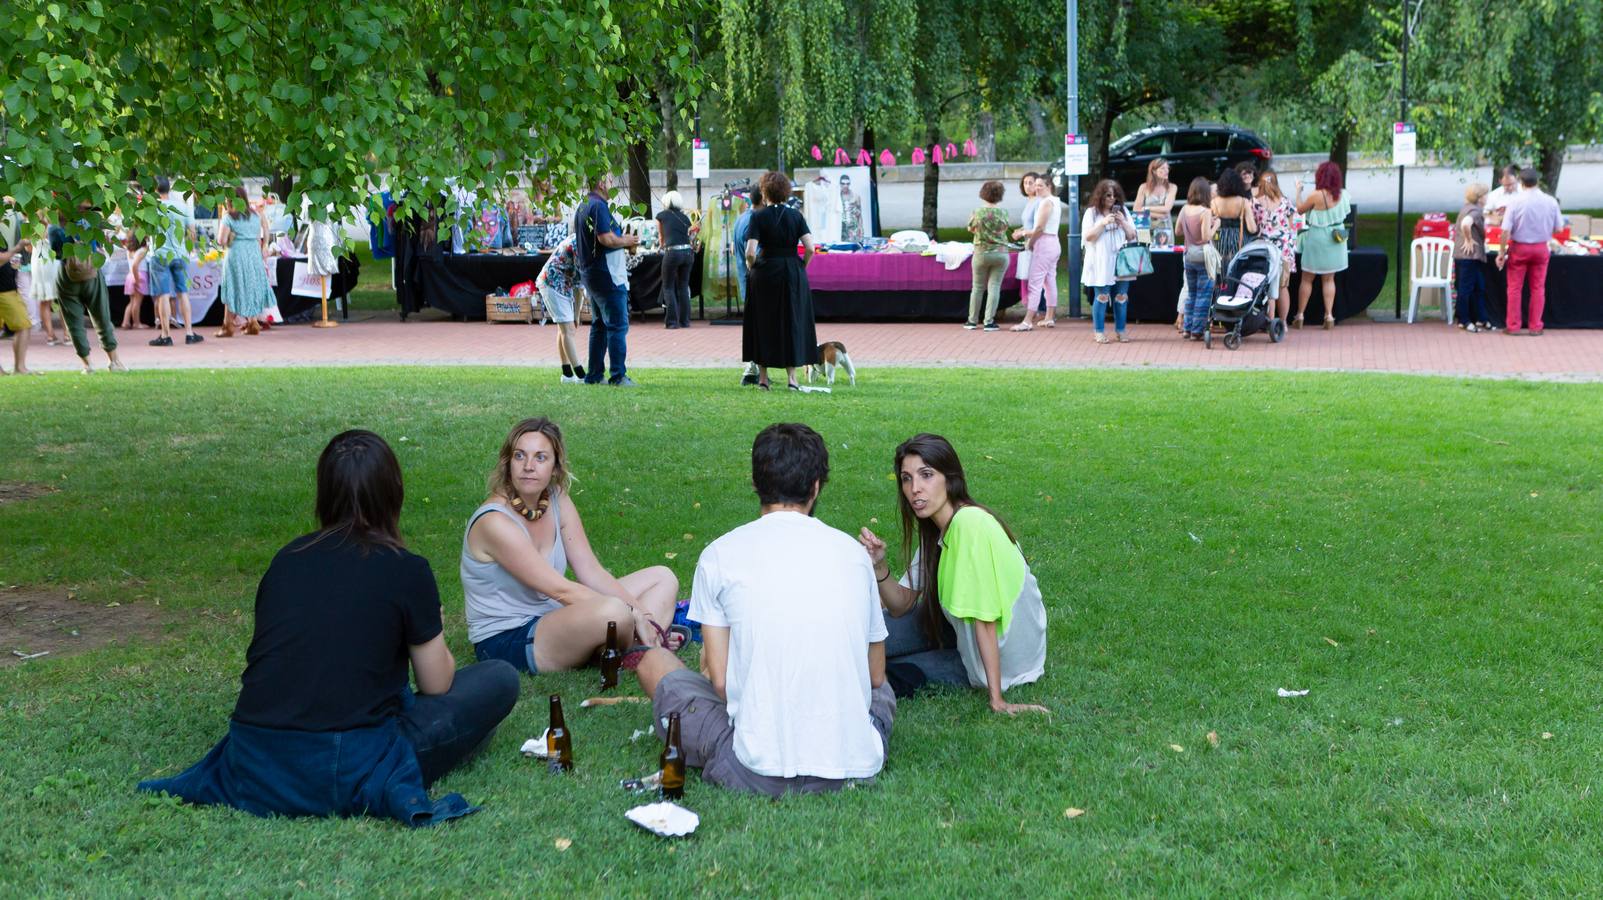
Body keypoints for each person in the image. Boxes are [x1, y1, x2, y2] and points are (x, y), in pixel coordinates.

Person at [138, 430, 520, 826]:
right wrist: (433, 631)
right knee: (498, 678)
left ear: (324, 492)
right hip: (350, 761)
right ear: (394, 492)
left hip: (255, 757)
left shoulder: (286, 560)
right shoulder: (407, 569)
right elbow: (436, 684)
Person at [633, 423, 895, 796]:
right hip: (853, 762)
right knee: (883, 694)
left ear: (755, 483)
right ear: (816, 486)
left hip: (753, 767)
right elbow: (875, 675)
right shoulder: (855, 556)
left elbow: (720, 681)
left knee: (656, 666)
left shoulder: (719, 554)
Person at [462, 417, 684, 675]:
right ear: (508, 462)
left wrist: (644, 616)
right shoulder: (494, 522)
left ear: (555, 467)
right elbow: (561, 591)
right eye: (520, 456)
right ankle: (636, 646)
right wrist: (633, 612)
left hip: (554, 616)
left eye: (540, 458)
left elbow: (590, 571)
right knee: (615, 611)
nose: (528, 466)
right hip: (509, 639)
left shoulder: (556, 499)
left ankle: (639, 642)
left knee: (662, 578)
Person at [857, 433, 1047, 714]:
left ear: (950, 477)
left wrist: (997, 701)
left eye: (926, 475)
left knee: (888, 672)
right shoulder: (938, 530)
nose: (915, 489)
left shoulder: (969, 524)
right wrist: (879, 567)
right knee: (864, 635)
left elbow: (984, 617)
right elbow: (900, 606)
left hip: (1000, 653)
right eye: (907, 478)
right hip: (957, 631)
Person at [742, 171, 817, 391]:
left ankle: (763, 378)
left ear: (764, 192)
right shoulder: (796, 216)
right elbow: (811, 248)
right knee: (791, 320)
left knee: (763, 322)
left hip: (765, 271)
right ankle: (792, 378)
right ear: (786, 191)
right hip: (792, 272)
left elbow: (750, 251)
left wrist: (752, 266)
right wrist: (801, 266)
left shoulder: (757, 216)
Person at [573, 173, 639, 386]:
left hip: (592, 273)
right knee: (617, 325)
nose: (614, 186)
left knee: (599, 325)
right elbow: (606, 238)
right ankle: (618, 375)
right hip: (607, 274)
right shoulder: (599, 206)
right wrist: (626, 240)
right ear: (601, 183)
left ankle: (594, 375)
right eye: (611, 181)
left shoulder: (583, 204)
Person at [50, 208, 127, 373]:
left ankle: (87, 365)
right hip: (92, 271)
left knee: (73, 322)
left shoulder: (55, 227)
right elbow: (99, 244)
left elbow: (56, 253)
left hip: (67, 275)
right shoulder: (92, 220)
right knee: (102, 316)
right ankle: (114, 361)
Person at [1495, 168, 1562, 336]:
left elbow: (1505, 231)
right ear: (1537, 181)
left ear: (1521, 182)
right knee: (1538, 288)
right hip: (1540, 247)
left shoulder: (1515, 202)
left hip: (1520, 247)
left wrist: (1501, 252)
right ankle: (1535, 326)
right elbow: (1559, 228)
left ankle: (1513, 326)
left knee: (1514, 288)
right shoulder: (1551, 201)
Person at [1294, 161, 1351, 330]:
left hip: (1317, 238)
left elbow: (1300, 210)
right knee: (1329, 279)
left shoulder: (1315, 195)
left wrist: (1298, 191)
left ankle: (1300, 315)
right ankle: (1329, 316)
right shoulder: (1343, 195)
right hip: (1336, 239)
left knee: (1307, 279)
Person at [1080, 179, 1137, 344]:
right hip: (1101, 260)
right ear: (1100, 196)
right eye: (1108, 195)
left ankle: (1121, 330)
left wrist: (1123, 222)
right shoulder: (1092, 213)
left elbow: (1132, 235)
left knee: (1121, 296)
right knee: (1102, 296)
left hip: (1121, 260)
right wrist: (1103, 223)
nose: (1112, 199)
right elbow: (1088, 237)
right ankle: (1099, 331)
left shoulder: (1124, 211)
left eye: (1115, 196)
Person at [148, 176, 202, 347]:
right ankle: (189, 332)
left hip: (159, 254)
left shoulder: (152, 208)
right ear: (169, 189)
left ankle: (165, 335)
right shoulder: (182, 206)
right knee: (183, 293)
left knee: (163, 294)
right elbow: (192, 232)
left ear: (155, 190)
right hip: (179, 254)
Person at [216, 187, 275, 337]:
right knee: (251, 286)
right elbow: (263, 232)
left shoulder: (229, 217)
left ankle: (227, 326)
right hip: (253, 252)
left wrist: (230, 237)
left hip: (236, 253)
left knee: (232, 287)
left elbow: (221, 240)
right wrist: (265, 244)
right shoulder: (256, 215)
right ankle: (253, 323)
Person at [1011, 173, 1062, 331]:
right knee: (1049, 281)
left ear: (1049, 187)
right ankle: (1049, 317)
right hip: (1053, 242)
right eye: (1036, 185)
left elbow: (1039, 228)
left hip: (1044, 244)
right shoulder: (1055, 201)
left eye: (1041, 185)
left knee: (1035, 283)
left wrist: (1030, 242)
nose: (1037, 188)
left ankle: (1027, 321)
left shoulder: (1046, 203)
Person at [534, 235, 586, 383]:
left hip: (561, 285)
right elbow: (580, 286)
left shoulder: (580, 239)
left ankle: (567, 375)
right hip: (552, 282)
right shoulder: (580, 245)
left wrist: (576, 315)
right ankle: (581, 375)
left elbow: (578, 286)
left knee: (563, 329)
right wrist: (576, 316)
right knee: (567, 329)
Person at [1252, 168, 1299, 323]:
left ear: (1260, 183)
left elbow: (1251, 226)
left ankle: (1270, 321)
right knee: (1282, 287)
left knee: (1268, 286)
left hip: (1264, 249)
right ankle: (1283, 323)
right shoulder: (1285, 202)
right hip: (1284, 248)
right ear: (1276, 183)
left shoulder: (1255, 203)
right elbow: (1294, 225)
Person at [964, 180, 1011, 332]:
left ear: (983, 193)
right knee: (994, 287)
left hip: (981, 252)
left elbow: (971, 229)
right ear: (1000, 195)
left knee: (977, 287)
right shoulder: (1004, 213)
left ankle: (972, 321)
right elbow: (1004, 228)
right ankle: (989, 322)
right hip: (1000, 253)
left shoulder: (977, 212)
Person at [1177, 177, 1217, 341]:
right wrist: (1216, 225)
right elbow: (1206, 236)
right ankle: (1197, 330)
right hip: (1203, 256)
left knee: (1191, 293)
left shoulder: (1184, 209)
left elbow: (1178, 231)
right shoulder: (1205, 211)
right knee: (1204, 294)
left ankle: (1187, 328)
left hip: (1189, 255)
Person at [732, 187, 764, 387]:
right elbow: (752, 253)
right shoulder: (754, 221)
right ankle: (754, 368)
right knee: (759, 326)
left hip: (744, 280)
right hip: (753, 278)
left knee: (754, 324)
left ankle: (754, 367)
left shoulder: (740, 218)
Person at [1454, 183, 1495, 333]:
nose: (1487, 197)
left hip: (1462, 255)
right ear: (1480, 197)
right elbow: (1466, 223)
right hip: (1469, 256)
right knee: (1466, 288)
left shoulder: (1466, 208)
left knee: (1478, 287)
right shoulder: (1475, 211)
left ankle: (1481, 318)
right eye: (1486, 195)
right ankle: (1464, 320)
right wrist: (1469, 239)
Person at [655, 191, 698, 329]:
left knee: (668, 287)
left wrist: (659, 247)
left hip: (672, 252)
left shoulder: (661, 216)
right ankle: (685, 321)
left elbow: (662, 238)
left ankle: (672, 322)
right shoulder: (685, 217)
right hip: (687, 253)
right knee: (683, 286)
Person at [1210, 167, 1259, 282]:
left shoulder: (1214, 202)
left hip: (1219, 238)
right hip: (1239, 239)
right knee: (1237, 269)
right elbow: (1252, 229)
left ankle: (1221, 289)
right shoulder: (1243, 201)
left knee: (1220, 268)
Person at [0, 228, 34, 375]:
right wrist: (17, 248)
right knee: (24, 325)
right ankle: (20, 368)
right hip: (4, 291)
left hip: (6, 287)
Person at [1133, 158, 1177, 247]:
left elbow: (1167, 209)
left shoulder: (1172, 187)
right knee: (1144, 252)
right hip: (1144, 225)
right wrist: (1158, 215)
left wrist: (1146, 209)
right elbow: (1136, 209)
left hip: (1163, 226)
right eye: (1162, 168)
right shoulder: (1143, 187)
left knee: (1163, 254)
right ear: (1153, 171)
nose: (1166, 171)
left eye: (1167, 168)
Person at [118, 231, 149, 331]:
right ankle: (136, 323)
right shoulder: (143, 250)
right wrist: (137, 279)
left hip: (130, 275)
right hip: (139, 275)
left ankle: (125, 322)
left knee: (131, 302)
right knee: (137, 302)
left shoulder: (129, 250)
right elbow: (135, 265)